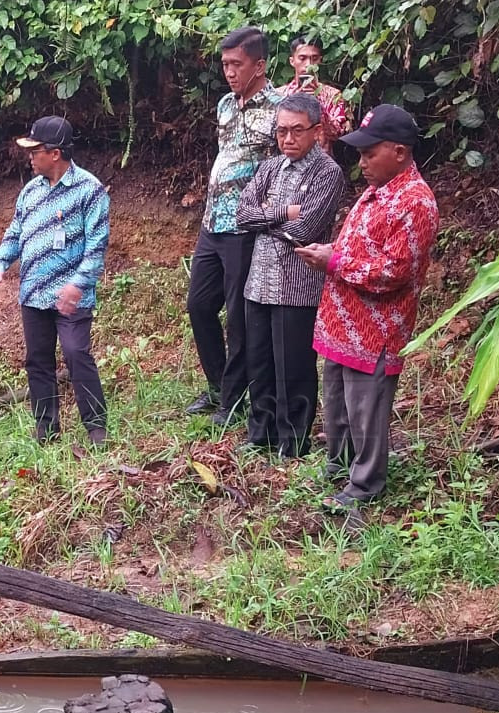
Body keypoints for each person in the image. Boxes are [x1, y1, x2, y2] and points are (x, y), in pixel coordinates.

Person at [295, 105, 439, 514]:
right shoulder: (379, 190)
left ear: (399, 151)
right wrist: (331, 253)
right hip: (342, 321)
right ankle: (339, 465)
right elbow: (361, 248)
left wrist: (334, 262)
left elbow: (392, 272)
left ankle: (365, 484)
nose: (362, 163)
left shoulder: (416, 203)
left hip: (376, 329)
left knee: (366, 410)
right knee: (338, 404)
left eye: (369, 154)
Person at [234, 93, 345, 459]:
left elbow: (306, 229)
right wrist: (284, 212)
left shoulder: (327, 173)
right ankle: (260, 432)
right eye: (281, 131)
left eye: (297, 131)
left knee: (293, 365)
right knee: (259, 360)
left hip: (297, 286)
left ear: (316, 131)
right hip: (259, 282)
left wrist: (267, 216)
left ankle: (293, 440)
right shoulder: (269, 167)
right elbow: (241, 215)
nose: (287, 139)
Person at [0, 116, 111, 446]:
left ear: (55, 153)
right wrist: (0, 263)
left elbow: (97, 247)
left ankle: (96, 426)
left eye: (35, 150)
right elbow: (15, 232)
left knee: (75, 354)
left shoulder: (90, 191)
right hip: (33, 294)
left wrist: (78, 284)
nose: (30, 156)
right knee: (38, 360)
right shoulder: (30, 191)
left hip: (71, 297)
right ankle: (46, 427)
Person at [186, 25, 283, 425]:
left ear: (259, 65)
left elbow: (283, 167)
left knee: (239, 316)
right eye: (225, 64)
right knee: (199, 306)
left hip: (246, 228)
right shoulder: (226, 104)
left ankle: (232, 401)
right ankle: (216, 386)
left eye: (236, 64)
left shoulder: (281, 108)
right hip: (213, 222)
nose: (229, 72)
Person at [276, 36, 352, 154]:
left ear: (320, 61)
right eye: (302, 58)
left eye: (314, 59)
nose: (308, 64)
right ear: (292, 61)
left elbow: (337, 134)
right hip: (285, 161)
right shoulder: (279, 95)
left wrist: (319, 104)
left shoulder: (332, 95)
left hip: (321, 163)